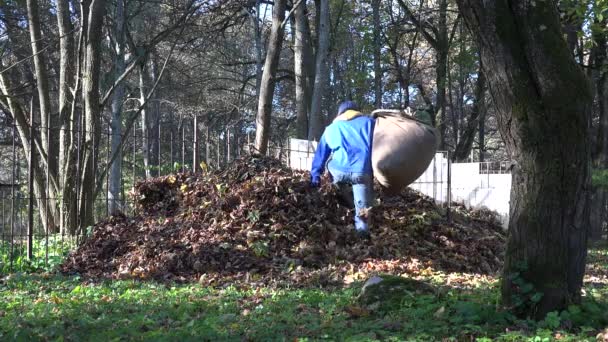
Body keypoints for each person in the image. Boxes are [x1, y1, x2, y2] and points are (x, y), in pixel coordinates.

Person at [309, 101, 375, 239]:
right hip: (362, 171)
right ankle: (362, 232)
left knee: (331, 167)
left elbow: (321, 155)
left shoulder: (332, 128)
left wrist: (315, 175)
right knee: (363, 208)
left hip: (338, 171)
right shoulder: (370, 123)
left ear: (340, 113)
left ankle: (342, 195)